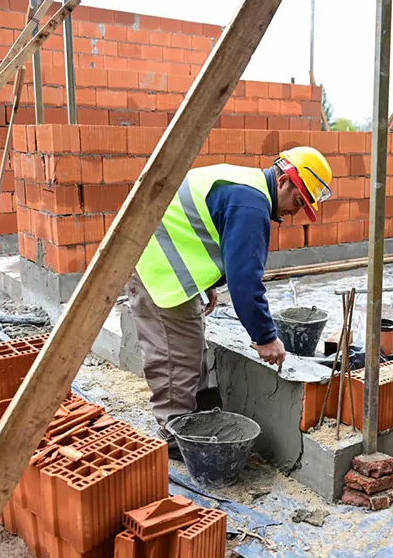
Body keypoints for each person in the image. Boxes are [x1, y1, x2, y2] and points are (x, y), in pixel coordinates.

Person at [128, 147, 332, 449]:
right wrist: (265, 337)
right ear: (283, 181)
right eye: (298, 201)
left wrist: (206, 282)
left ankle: (200, 420)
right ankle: (174, 436)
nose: (295, 211)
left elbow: (199, 228)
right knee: (175, 357)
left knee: (191, 348)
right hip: (156, 270)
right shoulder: (251, 204)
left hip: (165, 261)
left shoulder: (245, 186)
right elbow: (245, 282)